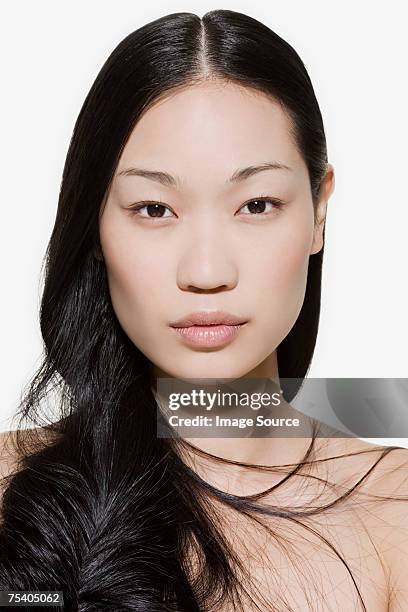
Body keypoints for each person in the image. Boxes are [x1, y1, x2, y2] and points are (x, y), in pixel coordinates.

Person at [1, 9, 407, 611]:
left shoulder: (392, 515)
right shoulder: (11, 489)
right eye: (154, 209)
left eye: (257, 204)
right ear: (95, 228)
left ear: (319, 212)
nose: (207, 272)